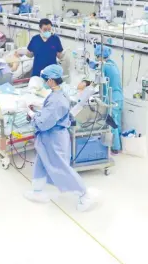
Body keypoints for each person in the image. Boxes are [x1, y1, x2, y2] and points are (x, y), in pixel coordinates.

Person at [25, 65, 98, 212]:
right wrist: (39, 109)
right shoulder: (58, 93)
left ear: (51, 80)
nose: (44, 82)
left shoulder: (57, 99)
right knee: (41, 161)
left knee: (60, 167)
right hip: (49, 137)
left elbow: (44, 122)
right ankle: (37, 191)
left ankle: (84, 195)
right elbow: (50, 113)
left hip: (53, 138)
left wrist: (31, 114)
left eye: (46, 80)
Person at [90, 45, 123, 155]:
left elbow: (97, 80)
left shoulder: (104, 67)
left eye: (96, 56)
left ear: (100, 56)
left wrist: (89, 87)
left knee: (111, 123)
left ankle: (115, 148)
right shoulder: (112, 64)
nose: (96, 58)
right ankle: (119, 146)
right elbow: (97, 67)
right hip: (119, 97)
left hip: (112, 98)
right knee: (117, 122)